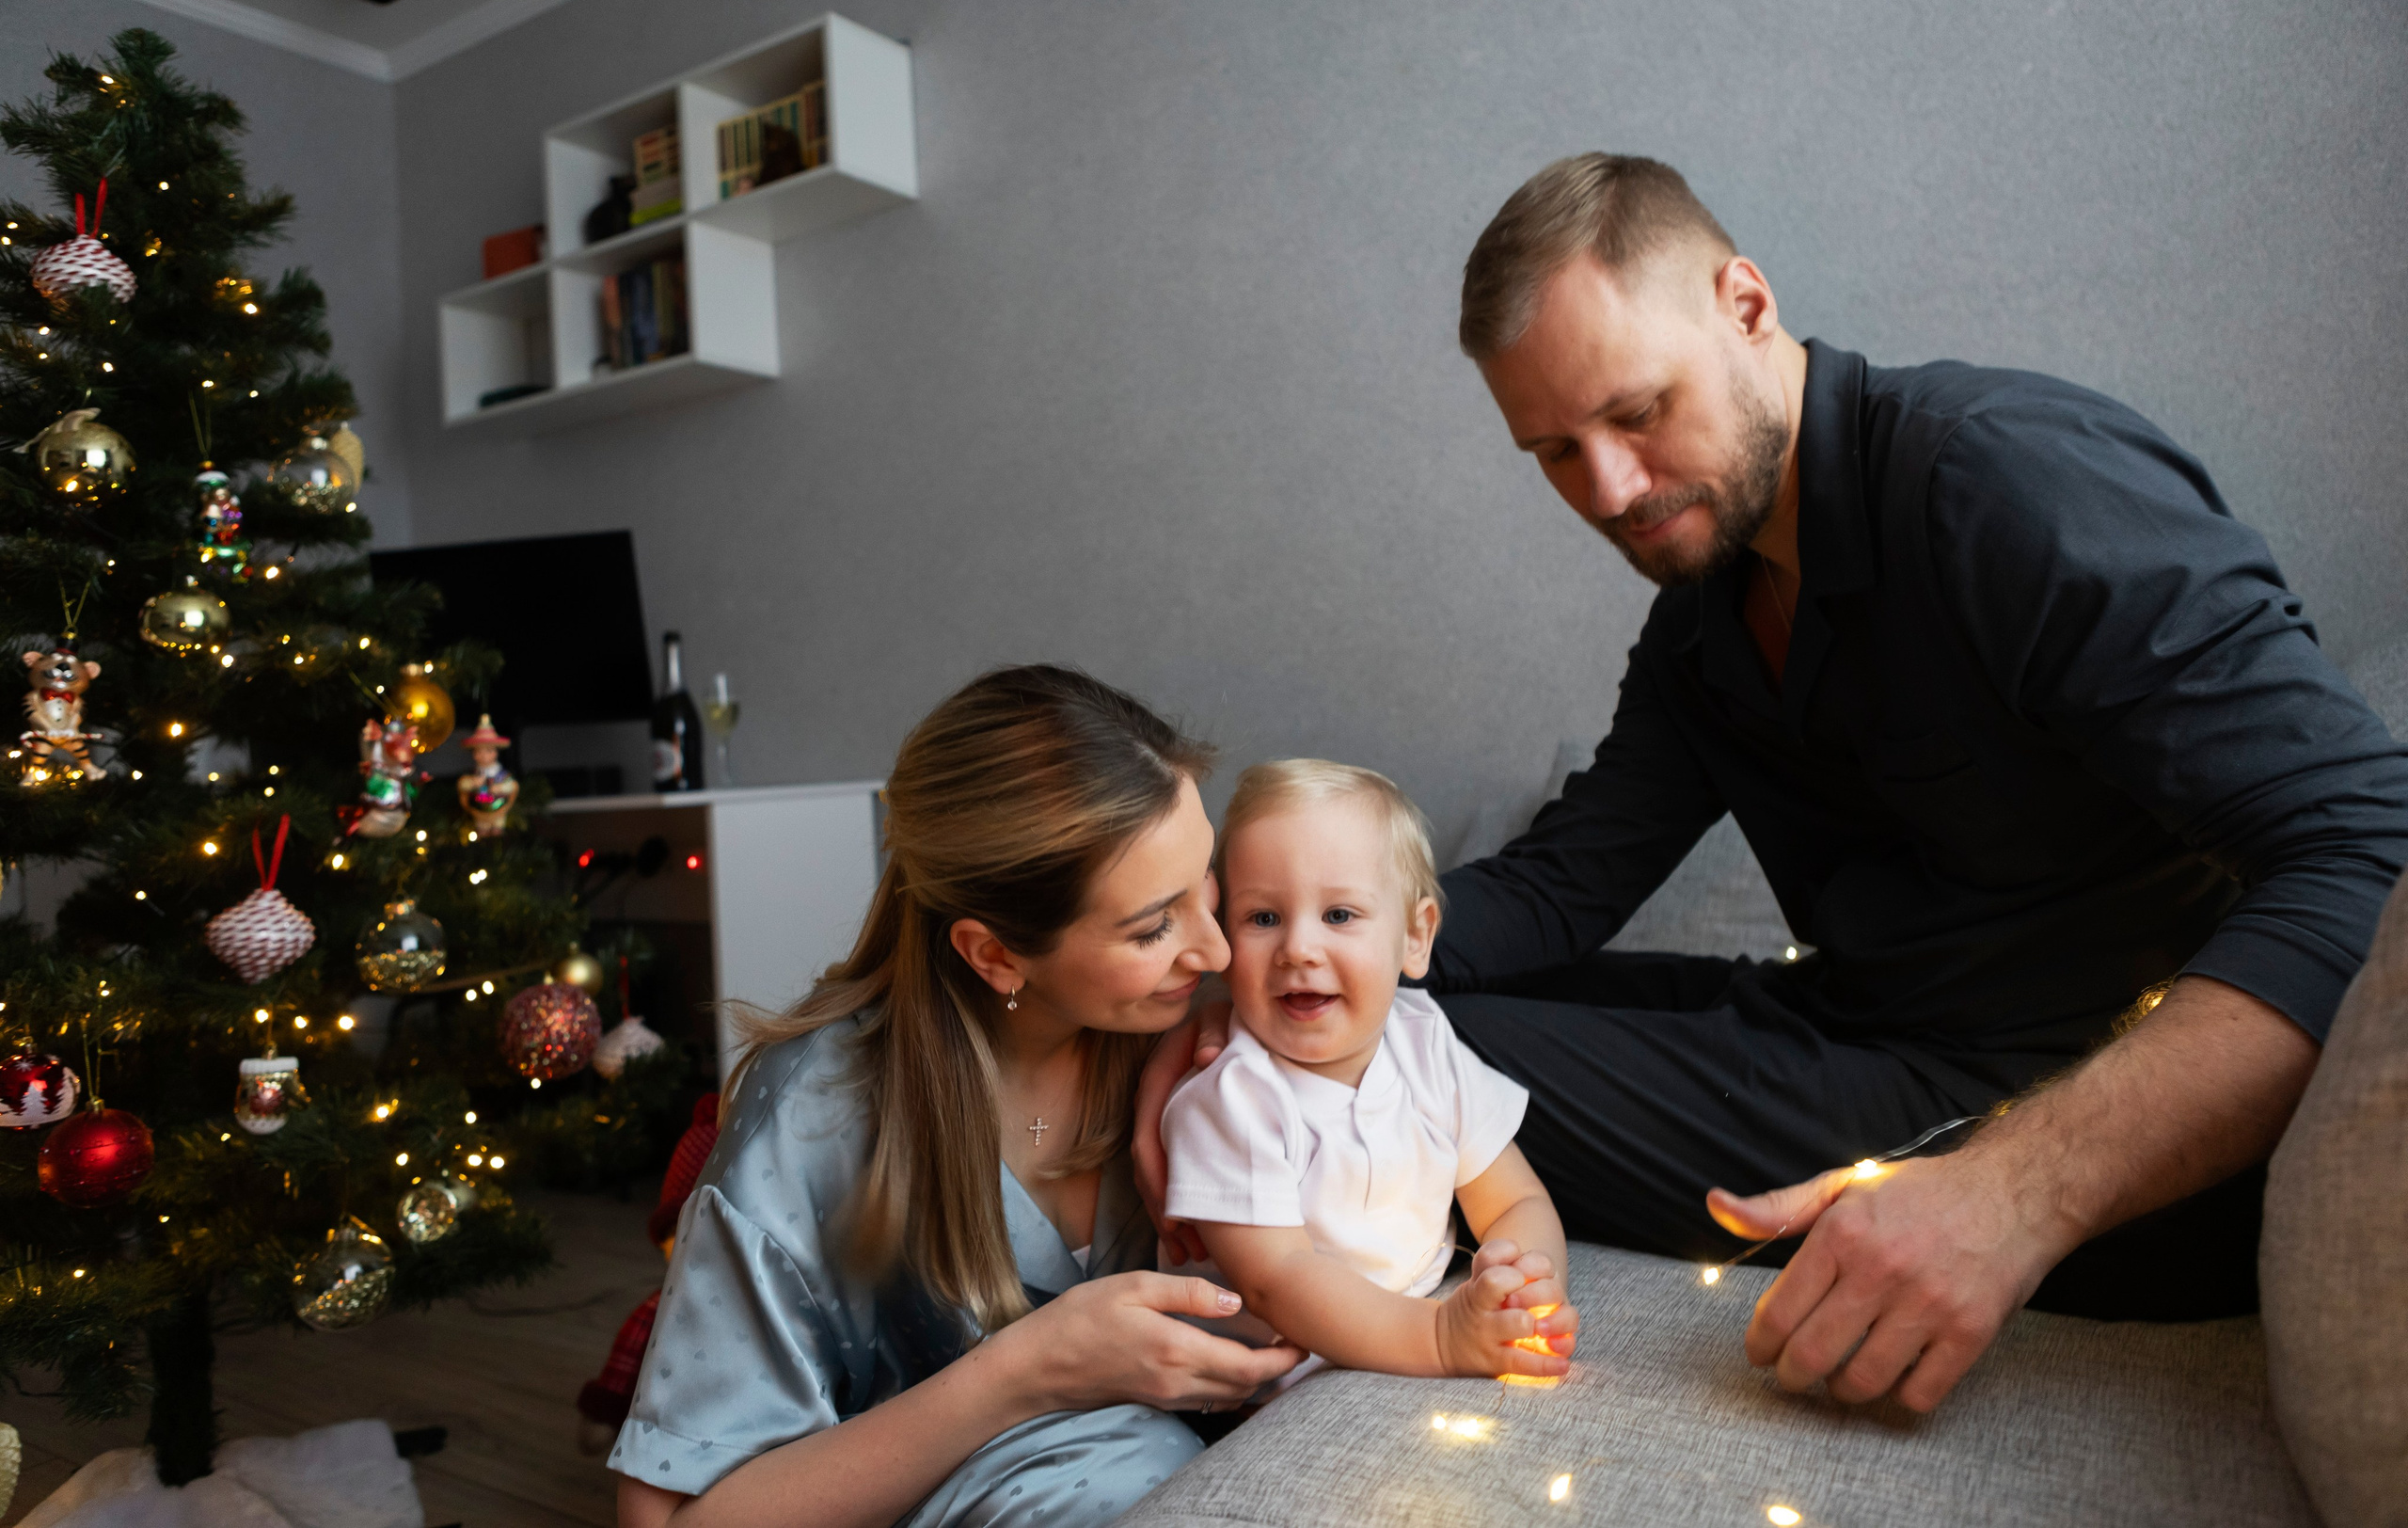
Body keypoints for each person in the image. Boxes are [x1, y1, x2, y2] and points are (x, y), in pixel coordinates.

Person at [1140, 152, 2408, 1417]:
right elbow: (1564, 882)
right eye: (1557, 452)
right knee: (1346, 999)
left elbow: (2373, 843)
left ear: (1745, 302)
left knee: (1393, 1050)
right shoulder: (1707, 610)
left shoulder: (2011, 485)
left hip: (2078, 1105)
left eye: (1638, 412)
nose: (1612, 490)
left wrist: (2015, 1191)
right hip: (1856, 1019)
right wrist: (1247, 974)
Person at [612, 665, 1302, 1528]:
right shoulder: (819, 1115)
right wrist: (1028, 1372)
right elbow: (670, 1519)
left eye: (1206, 882)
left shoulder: (1197, 1040)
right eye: (1152, 926)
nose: (1219, 951)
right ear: (996, 955)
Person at [1162, 760, 1577, 1387]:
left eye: (1339, 915)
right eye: (1263, 917)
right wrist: (1438, 1336)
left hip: (1416, 1318)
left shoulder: (1424, 1042)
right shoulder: (1233, 1096)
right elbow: (1281, 1279)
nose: (1299, 946)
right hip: (1275, 1377)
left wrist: (1522, 1280)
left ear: (1416, 936)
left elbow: (1515, 1196)